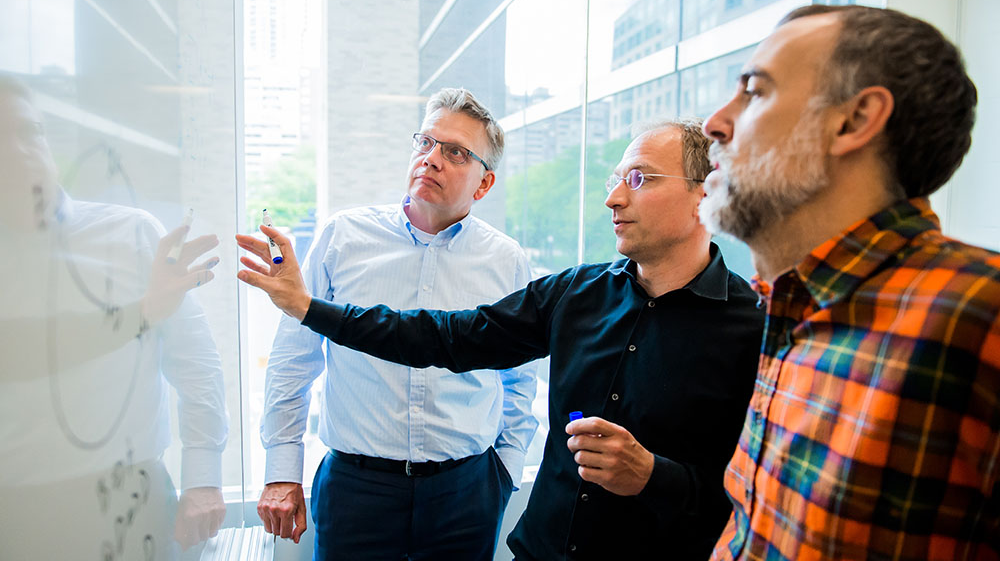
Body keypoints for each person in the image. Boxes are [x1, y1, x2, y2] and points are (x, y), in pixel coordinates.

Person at [237, 118, 767, 560]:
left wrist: (654, 476)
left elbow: (759, 497)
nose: (611, 198)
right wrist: (308, 308)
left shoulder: (755, 328)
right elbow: (442, 338)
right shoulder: (576, 292)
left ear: (706, 192)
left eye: (638, 178)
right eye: (615, 178)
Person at [698, 4, 999, 559]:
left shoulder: (983, 313)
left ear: (855, 121)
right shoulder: (789, 307)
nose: (714, 123)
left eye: (755, 92)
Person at [253, 88, 539, 560]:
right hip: (355, 490)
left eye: (455, 153)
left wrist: (503, 473)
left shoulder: (505, 261)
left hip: (466, 493)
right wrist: (282, 470)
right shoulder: (343, 236)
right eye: (425, 143)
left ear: (484, 184)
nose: (431, 159)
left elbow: (519, 379)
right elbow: (294, 360)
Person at [0, 75, 228, 559]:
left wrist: (203, 479)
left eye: (29, 132)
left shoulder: (132, 234)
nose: (20, 151)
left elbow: (196, 363)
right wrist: (141, 314)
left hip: (134, 496)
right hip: (13, 511)